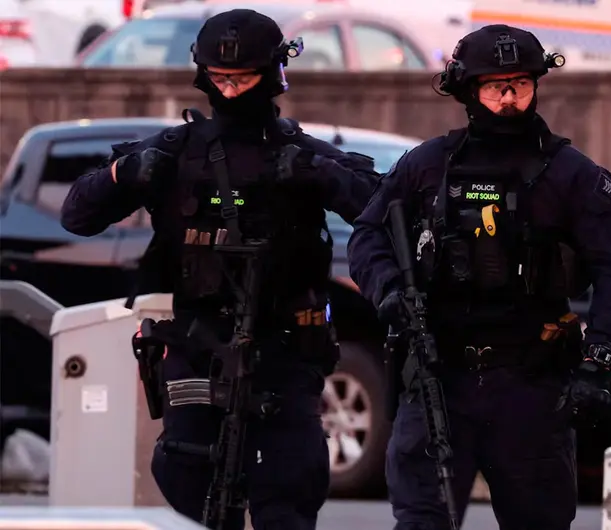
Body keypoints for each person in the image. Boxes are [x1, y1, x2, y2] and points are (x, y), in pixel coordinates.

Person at [60, 9, 379, 530]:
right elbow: (78, 213)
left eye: (244, 79)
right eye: (221, 79)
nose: (230, 92)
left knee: (288, 491)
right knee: (189, 484)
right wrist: (123, 174)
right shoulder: (176, 151)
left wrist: (318, 174)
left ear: (272, 74)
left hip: (285, 348)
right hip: (198, 346)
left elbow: (380, 206)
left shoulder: (299, 151)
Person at [347, 25, 611, 530]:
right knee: (422, 520)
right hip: (439, 374)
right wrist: (390, 292)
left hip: (530, 385)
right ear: (467, 91)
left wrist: (598, 362)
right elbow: (367, 235)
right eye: (494, 87)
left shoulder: (572, 175)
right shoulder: (427, 166)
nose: (508, 99)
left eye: (520, 86)